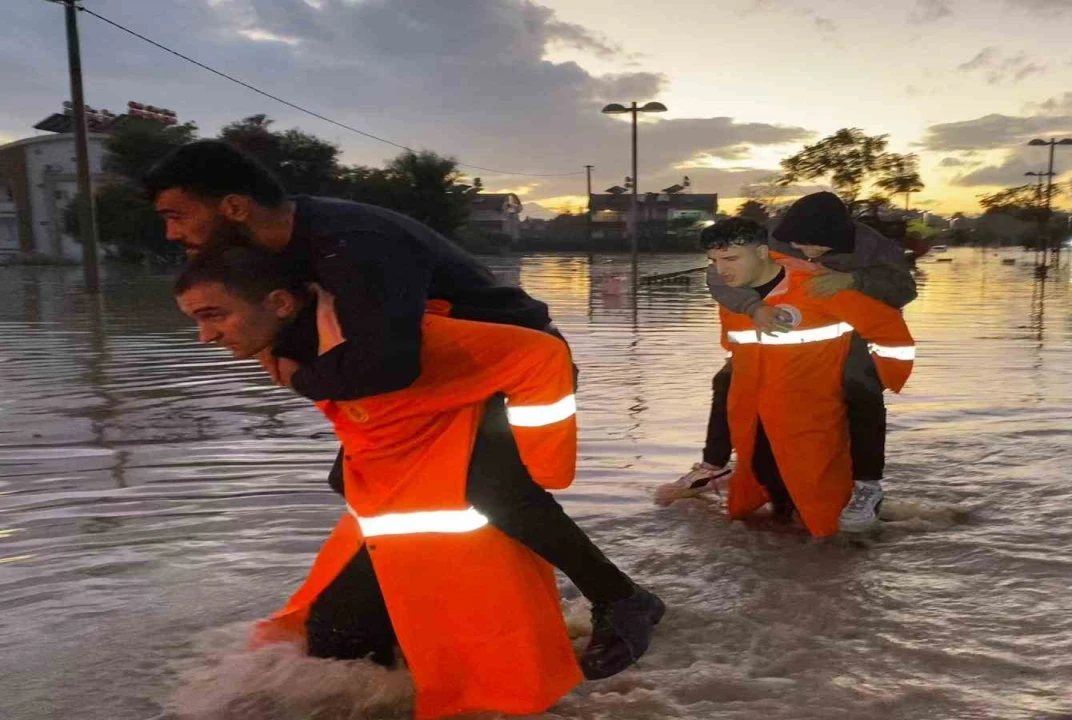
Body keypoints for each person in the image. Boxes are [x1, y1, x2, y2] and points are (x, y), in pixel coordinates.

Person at [146, 140, 660, 679]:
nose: (172, 233)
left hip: (504, 367)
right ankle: (407, 608)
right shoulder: (278, 245)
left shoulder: (354, 244)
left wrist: (299, 375)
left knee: (489, 486)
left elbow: (388, 365)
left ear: (233, 207)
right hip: (432, 378)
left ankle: (621, 598)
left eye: (176, 216)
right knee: (353, 479)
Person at [173, 242, 603, 718]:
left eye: (214, 316)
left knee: (347, 656)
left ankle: (616, 602)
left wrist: (540, 465)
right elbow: (372, 413)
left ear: (279, 303)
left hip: (457, 526)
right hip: (393, 519)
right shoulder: (285, 346)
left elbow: (541, 356)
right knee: (336, 651)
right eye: (196, 320)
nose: (204, 337)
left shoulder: (394, 338)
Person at [657, 192, 916, 531]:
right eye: (799, 245)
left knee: (861, 388)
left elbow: (904, 289)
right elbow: (720, 274)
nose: (808, 253)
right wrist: (753, 307)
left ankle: (867, 485)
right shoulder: (771, 237)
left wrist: (854, 280)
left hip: (850, 327)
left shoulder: (871, 245)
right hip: (782, 327)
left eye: (819, 247)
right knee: (727, 381)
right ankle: (714, 465)